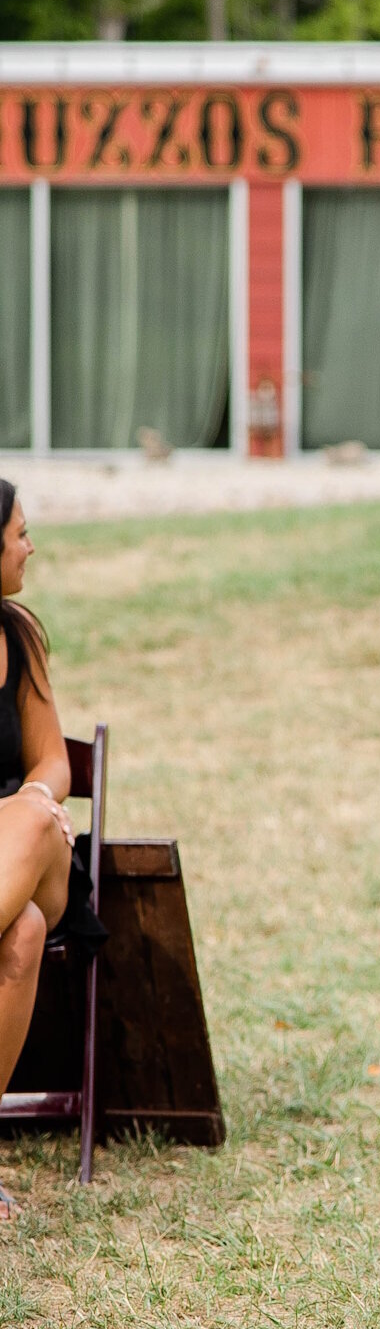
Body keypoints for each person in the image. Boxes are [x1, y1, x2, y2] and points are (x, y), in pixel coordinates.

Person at [0, 478, 84, 1220]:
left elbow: (52, 761)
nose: (31, 546)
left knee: (27, 820)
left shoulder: (17, 635)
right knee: (20, 933)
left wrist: (33, 797)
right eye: (20, 533)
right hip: (14, 902)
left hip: (35, 850)